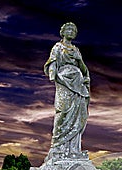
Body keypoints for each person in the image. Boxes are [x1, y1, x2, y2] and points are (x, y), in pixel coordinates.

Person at [44, 22, 90, 159]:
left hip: (78, 84)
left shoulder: (76, 50)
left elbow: (84, 69)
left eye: (73, 29)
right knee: (63, 112)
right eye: (68, 29)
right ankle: (57, 147)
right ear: (62, 32)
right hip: (64, 81)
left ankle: (73, 150)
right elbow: (52, 63)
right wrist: (55, 76)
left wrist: (79, 60)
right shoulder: (57, 47)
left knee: (77, 114)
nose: (70, 31)